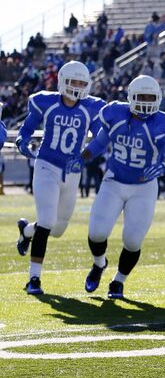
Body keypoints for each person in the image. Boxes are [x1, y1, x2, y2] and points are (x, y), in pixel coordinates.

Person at [82, 75, 165, 299]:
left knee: (132, 240)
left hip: (144, 187)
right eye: (141, 97)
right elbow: (99, 144)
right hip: (114, 180)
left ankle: (118, 281)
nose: (146, 102)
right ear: (131, 97)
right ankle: (99, 264)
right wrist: (82, 158)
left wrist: (164, 169)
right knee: (97, 232)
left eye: (151, 97)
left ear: (158, 99)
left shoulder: (163, 124)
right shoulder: (117, 115)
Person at [14, 61, 106, 295]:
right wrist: (22, 141)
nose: (76, 87)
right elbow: (27, 128)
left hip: (73, 172)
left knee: (57, 228)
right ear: (62, 81)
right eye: (73, 81)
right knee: (46, 220)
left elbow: (100, 137)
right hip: (46, 166)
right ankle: (34, 280)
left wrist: (88, 154)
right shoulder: (45, 102)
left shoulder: (91, 107)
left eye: (81, 83)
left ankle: (26, 231)